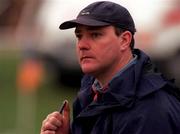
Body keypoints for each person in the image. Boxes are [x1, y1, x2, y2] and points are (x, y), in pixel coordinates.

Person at [40, 1, 180, 134]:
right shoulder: (91, 92)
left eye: (95, 35)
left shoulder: (150, 111)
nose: (82, 45)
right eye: (79, 36)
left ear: (124, 40)